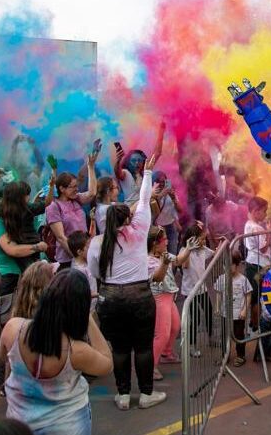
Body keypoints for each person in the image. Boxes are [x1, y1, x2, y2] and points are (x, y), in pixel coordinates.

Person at [88, 146, 166, 410]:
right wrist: (148, 172)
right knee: (142, 347)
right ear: (128, 217)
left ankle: (122, 396)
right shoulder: (139, 230)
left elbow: (95, 272)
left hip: (110, 298)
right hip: (139, 296)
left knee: (120, 348)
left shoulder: (98, 242)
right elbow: (144, 201)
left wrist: (109, 284)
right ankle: (146, 395)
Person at [0, 269, 113, 435]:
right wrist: (86, 314)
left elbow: (4, 356)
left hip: (20, 424)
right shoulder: (76, 351)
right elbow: (107, 364)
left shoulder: (13, 328)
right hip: (67, 426)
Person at [0, 181, 50, 296]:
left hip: (15, 276)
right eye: (26, 196)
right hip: (11, 278)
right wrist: (38, 247)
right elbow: (13, 250)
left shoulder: (6, 211)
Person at [148, 226, 191, 381]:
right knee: (162, 334)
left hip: (169, 297)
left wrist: (189, 248)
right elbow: (157, 277)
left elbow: (179, 260)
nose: (167, 242)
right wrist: (165, 263)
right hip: (159, 299)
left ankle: (166, 353)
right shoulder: (149, 261)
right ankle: (150, 367)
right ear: (154, 244)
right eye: (164, 239)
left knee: (175, 326)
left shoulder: (164, 254)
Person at [46, 153, 98, 270]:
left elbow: (92, 193)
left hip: (84, 255)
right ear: (62, 189)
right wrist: (77, 258)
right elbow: (61, 237)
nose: (77, 189)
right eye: (72, 187)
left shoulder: (76, 199)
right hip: (68, 260)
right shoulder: (54, 207)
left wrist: (90, 167)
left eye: (77, 186)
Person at [179, 224, 214, 357]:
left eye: (204, 239)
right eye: (201, 239)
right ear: (192, 239)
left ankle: (211, 338)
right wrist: (189, 249)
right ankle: (191, 346)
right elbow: (184, 264)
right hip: (190, 292)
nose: (204, 242)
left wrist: (222, 243)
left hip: (202, 289)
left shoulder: (203, 250)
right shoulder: (184, 251)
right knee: (195, 319)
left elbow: (215, 254)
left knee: (209, 313)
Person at [216, 252, 252, 367]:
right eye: (224, 265)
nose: (227, 268)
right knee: (224, 335)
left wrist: (244, 310)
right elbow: (218, 293)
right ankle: (224, 355)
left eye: (230, 265)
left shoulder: (243, 280)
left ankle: (241, 355)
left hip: (238, 314)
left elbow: (248, 295)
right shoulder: (222, 279)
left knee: (238, 335)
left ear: (237, 265)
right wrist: (217, 307)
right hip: (225, 313)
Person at [242, 197, 271, 329]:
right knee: (257, 298)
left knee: (255, 297)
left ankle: (254, 324)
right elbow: (263, 247)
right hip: (258, 266)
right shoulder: (256, 228)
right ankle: (256, 325)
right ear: (255, 211)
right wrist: (269, 232)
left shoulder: (248, 224)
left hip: (252, 264)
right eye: (264, 211)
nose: (265, 214)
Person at [152, 172, 183, 255]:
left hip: (171, 226)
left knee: (172, 252)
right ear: (154, 182)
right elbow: (152, 209)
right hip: (158, 228)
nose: (162, 184)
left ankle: (172, 268)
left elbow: (180, 210)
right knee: (161, 253)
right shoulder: (153, 194)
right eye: (159, 182)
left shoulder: (170, 192)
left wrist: (174, 199)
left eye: (164, 181)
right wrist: (162, 194)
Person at [67, 231, 96, 312]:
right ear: (79, 252)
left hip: (93, 306)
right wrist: (99, 294)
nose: (92, 249)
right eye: (88, 247)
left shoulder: (83, 260)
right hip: (87, 310)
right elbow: (82, 293)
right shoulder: (79, 271)